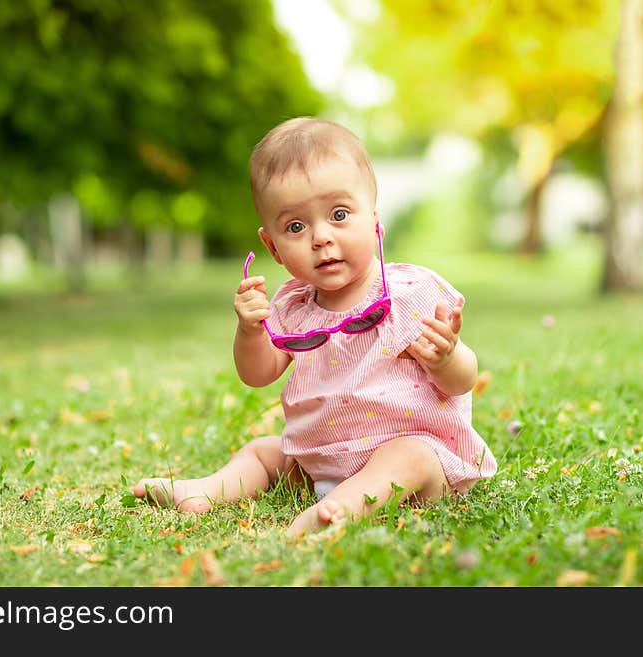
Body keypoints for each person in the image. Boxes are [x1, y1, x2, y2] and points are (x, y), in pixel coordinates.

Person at [132, 117, 497, 537]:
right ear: (272, 247)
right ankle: (206, 491)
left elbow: (461, 382)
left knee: (406, 456)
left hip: (417, 465)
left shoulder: (407, 293)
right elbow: (258, 374)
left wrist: (447, 358)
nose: (321, 237)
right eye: (295, 227)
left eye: (339, 214)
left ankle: (341, 508)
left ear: (374, 219)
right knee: (264, 453)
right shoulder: (292, 308)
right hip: (320, 462)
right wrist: (250, 332)